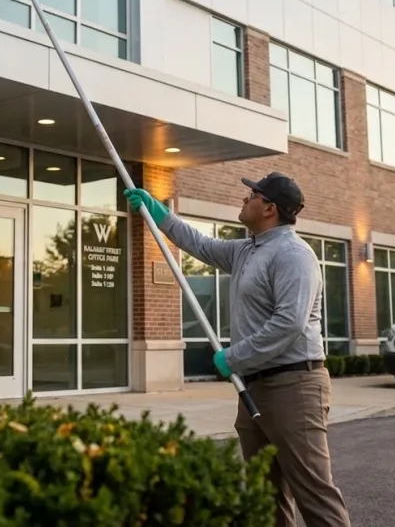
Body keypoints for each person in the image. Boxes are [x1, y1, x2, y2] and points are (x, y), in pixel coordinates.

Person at [124, 172, 351, 527]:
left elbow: (289, 324)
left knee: (314, 492)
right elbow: (199, 244)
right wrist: (158, 212)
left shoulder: (294, 255)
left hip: (294, 386)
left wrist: (233, 357)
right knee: (265, 493)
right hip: (254, 386)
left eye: (253, 194)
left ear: (270, 208)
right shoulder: (247, 249)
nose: (245, 197)